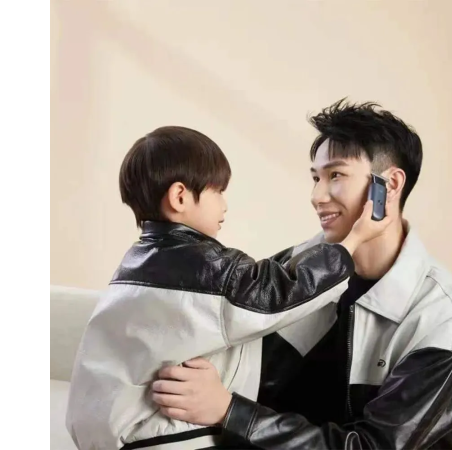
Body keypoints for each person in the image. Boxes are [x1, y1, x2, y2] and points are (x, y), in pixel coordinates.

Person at [151, 100, 452, 449]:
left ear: (389, 185)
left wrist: (229, 411)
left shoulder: (441, 317)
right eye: (315, 178)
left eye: (335, 175)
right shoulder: (301, 268)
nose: (316, 196)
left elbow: (374, 447)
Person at [65, 125, 391, 450]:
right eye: (218, 191)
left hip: (104, 431)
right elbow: (280, 293)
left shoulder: (134, 264)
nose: (224, 204)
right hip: (162, 437)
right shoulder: (207, 268)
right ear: (180, 197)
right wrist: (354, 240)